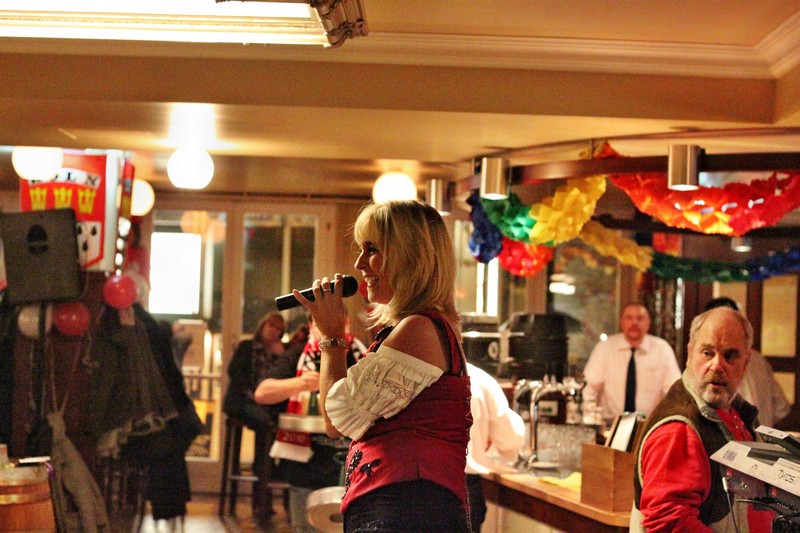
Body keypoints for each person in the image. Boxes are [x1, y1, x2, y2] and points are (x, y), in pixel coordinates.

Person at [293, 200, 473, 532]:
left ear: (410, 257)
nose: (359, 263)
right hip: (405, 506)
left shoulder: (419, 328)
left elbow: (337, 419)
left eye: (372, 250)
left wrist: (332, 337)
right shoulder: (420, 327)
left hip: (407, 509)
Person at [631, 306, 775, 532]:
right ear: (690, 354)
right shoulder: (679, 430)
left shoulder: (736, 411)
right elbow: (669, 524)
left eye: (730, 356)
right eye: (708, 353)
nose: (717, 365)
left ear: (746, 362)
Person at [254, 317, 366, 532]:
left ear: (346, 325)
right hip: (306, 461)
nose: (325, 330)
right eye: (319, 324)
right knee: (304, 527)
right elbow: (262, 393)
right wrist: (302, 383)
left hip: (352, 463)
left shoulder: (361, 355)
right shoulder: (298, 356)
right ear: (311, 327)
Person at [222, 311, 291, 523]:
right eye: (270, 325)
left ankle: (264, 494)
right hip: (242, 401)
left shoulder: (281, 352)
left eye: (278, 329)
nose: (273, 331)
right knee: (266, 425)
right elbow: (235, 373)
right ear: (262, 326)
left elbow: (284, 381)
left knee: (275, 425)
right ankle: (266, 485)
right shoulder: (247, 346)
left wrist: (281, 356)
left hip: (267, 406)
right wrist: (254, 393)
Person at [582, 303, 681, 422]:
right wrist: (590, 419)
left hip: (649, 425)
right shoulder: (605, 348)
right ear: (621, 322)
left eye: (640, 318)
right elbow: (589, 389)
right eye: (629, 318)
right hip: (610, 424)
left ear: (648, 322)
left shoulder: (662, 349)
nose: (634, 323)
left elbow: (674, 392)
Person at [704, 296, 790, 428]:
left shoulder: (715, 365)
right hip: (763, 437)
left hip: (736, 438)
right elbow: (780, 409)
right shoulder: (758, 358)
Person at [465, 362, 526, 532]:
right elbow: (511, 438)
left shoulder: (407, 370)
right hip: (464, 487)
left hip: (409, 486)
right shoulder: (478, 378)